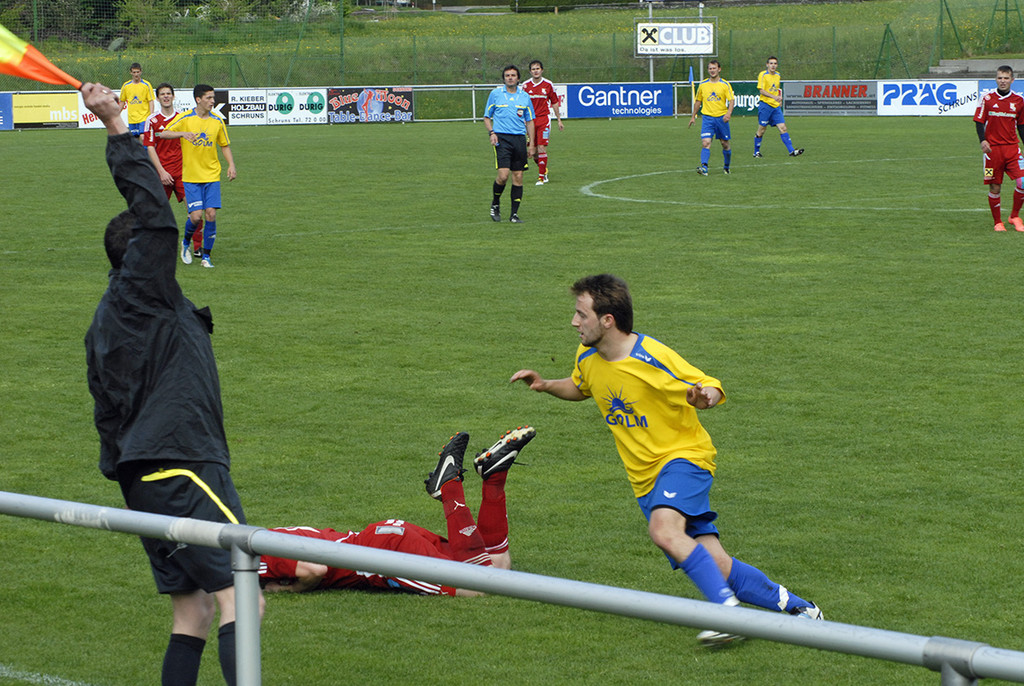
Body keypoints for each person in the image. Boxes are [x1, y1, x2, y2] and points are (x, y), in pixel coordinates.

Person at [510, 274, 822, 646]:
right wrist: (546, 385)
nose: (574, 321)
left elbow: (710, 384)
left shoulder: (651, 357)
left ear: (607, 320)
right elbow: (582, 386)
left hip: (684, 460)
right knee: (717, 565)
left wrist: (704, 398)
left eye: (582, 314)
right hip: (645, 479)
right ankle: (804, 611)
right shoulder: (588, 355)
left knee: (663, 531)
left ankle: (729, 615)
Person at [81, 82, 263, 686]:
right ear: (140, 257)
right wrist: (115, 124)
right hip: (181, 466)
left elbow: (106, 412)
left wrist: (124, 471)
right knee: (243, 598)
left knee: (194, 612)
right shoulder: (145, 291)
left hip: (145, 476)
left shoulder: (110, 319)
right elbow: (154, 215)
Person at [259, 427, 535, 596]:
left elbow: (313, 570)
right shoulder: (268, 537)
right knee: (498, 568)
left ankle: (449, 487)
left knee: (477, 588)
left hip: (381, 557)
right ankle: (494, 476)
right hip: (387, 537)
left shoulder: (258, 554)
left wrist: (288, 589)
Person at [160, 84, 235, 268]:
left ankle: (206, 257)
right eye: (209, 98)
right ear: (198, 99)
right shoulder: (185, 118)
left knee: (211, 214)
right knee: (195, 217)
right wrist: (183, 134)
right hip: (191, 177)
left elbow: (224, 145)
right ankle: (185, 242)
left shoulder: (217, 121)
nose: (212, 101)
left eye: (213, 97)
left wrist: (231, 165)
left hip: (212, 175)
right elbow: (164, 133)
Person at [143, 82, 203, 261]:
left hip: (184, 172)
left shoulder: (183, 118)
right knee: (157, 212)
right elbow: (150, 147)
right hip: (161, 173)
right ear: (158, 98)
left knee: (195, 211)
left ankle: (197, 246)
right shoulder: (152, 120)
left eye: (168, 93)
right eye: (162, 94)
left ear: (173, 96)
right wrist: (161, 172)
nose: (166, 96)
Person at [974, 65, 1024, 232]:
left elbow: (1021, 126)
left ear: (1012, 80)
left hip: (1012, 149)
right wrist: (983, 140)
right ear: (996, 79)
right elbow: (979, 121)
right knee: (994, 186)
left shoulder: (1019, 101)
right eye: (1000, 78)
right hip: (992, 152)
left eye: (1006, 78)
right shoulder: (986, 98)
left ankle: (1014, 216)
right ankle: (998, 222)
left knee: (1023, 182)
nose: (1002, 81)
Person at [484, 65, 536, 224]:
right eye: (507, 75)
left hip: (519, 139)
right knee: (503, 176)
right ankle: (495, 203)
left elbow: (530, 121)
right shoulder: (495, 94)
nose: (510, 78)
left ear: (518, 78)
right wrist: (492, 133)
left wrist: (531, 144)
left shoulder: (525, 97)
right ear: (504, 78)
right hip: (502, 139)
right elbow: (487, 117)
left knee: (518, 176)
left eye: (513, 75)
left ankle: (514, 214)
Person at [688, 60, 735, 176]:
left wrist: (728, 113)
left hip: (721, 118)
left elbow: (731, 100)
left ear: (719, 69)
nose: (712, 70)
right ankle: (704, 168)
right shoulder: (703, 85)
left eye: (714, 68)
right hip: (708, 118)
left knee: (725, 144)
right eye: (710, 68)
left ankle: (726, 167)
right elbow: (698, 101)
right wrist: (693, 116)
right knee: (706, 142)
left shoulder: (725, 84)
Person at [522, 60, 563, 186]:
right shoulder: (525, 86)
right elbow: (522, 104)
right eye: (533, 69)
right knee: (533, 152)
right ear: (530, 71)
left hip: (544, 119)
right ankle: (544, 169)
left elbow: (554, 102)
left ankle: (541, 177)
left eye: (538, 68)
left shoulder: (548, 84)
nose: (536, 71)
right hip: (530, 121)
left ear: (542, 70)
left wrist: (559, 120)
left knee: (541, 147)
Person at [753, 56, 804, 159]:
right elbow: (761, 90)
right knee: (761, 130)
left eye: (775, 63)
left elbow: (777, 89)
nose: (773, 65)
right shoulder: (763, 75)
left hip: (775, 107)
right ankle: (756, 152)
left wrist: (779, 99)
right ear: (767, 65)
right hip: (765, 106)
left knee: (783, 128)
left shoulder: (778, 75)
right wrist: (774, 97)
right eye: (771, 63)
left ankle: (792, 151)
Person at [118, 62, 155, 138]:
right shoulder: (126, 86)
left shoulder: (146, 85)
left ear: (141, 72)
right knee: (135, 139)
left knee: (143, 136)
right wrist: (117, 114)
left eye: (138, 72)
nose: (136, 74)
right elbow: (122, 101)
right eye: (134, 72)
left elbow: (151, 101)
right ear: (131, 73)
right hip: (132, 118)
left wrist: (151, 116)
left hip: (144, 117)